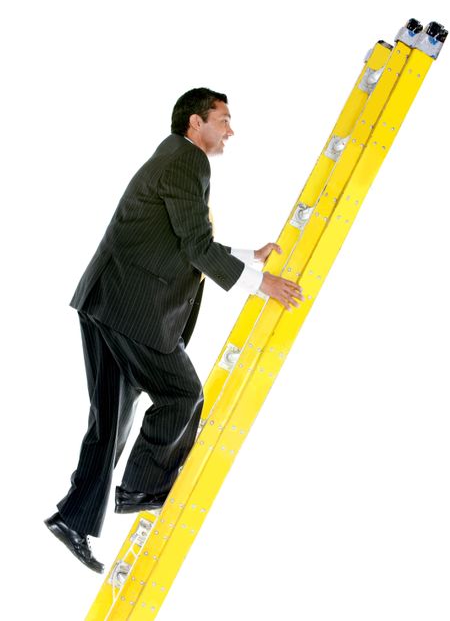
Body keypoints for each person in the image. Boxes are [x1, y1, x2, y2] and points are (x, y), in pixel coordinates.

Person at [44, 88, 303, 573]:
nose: (230, 130)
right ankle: (141, 487)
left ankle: (73, 519)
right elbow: (196, 245)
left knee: (110, 420)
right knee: (182, 395)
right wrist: (261, 283)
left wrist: (247, 258)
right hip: (130, 307)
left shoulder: (174, 157)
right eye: (223, 120)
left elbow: (185, 240)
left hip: (105, 299)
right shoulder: (187, 162)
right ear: (194, 123)